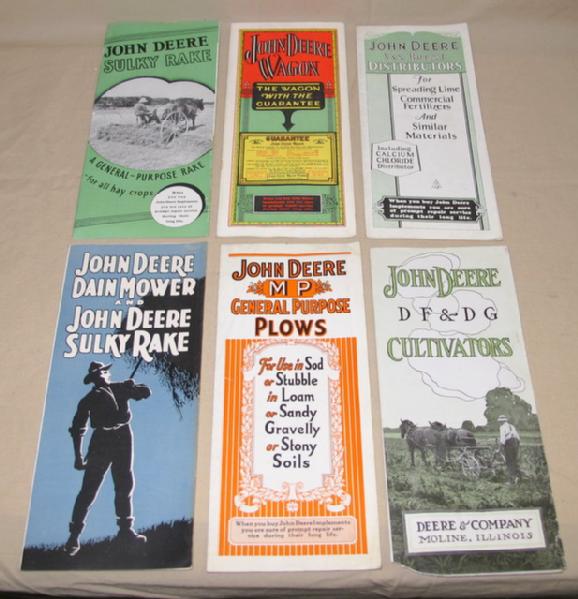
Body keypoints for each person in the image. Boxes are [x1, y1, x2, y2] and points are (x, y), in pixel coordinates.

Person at [64, 361, 151, 557]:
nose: (101, 375)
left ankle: (125, 531)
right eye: (97, 374)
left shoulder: (120, 387)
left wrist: (133, 388)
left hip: (123, 437)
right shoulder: (88, 400)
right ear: (92, 379)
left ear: (106, 373)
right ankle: (74, 536)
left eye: (102, 372)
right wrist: (78, 456)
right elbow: (78, 429)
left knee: (124, 483)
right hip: (101, 441)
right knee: (89, 488)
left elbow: (145, 393)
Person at [498, 414, 521, 484]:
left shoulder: (502, 427)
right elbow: (518, 437)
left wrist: (499, 450)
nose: (499, 422)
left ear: (502, 421)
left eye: (500, 421)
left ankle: (511, 480)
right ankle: (517, 477)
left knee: (509, 462)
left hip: (509, 443)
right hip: (516, 442)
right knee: (515, 460)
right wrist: (517, 445)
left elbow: (502, 441)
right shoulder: (511, 426)